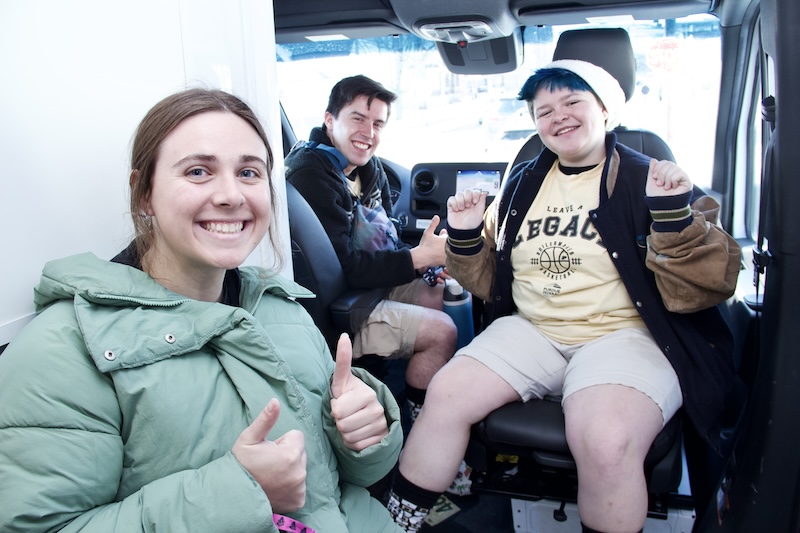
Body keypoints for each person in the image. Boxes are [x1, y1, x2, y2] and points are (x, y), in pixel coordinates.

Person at [0, 88, 405, 533]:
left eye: (248, 172)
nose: (231, 195)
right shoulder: (65, 350)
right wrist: (240, 495)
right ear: (143, 194)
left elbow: (346, 480)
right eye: (198, 171)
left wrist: (363, 434)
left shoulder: (282, 309)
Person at [386, 60, 742, 533]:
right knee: (446, 392)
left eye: (572, 101)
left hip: (625, 335)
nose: (559, 117)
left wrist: (672, 218)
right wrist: (467, 237)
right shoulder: (520, 185)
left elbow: (711, 284)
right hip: (533, 329)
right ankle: (395, 525)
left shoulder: (653, 179)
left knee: (606, 439)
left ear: (605, 109)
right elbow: (488, 282)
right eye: (545, 111)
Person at [285, 75, 457, 425]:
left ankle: (407, 388)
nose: (369, 133)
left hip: (373, 285)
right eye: (358, 119)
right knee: (443, 332)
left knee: (440, 291)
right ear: (330, 120)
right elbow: (344, 267)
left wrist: (422, 264)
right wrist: (417, 257)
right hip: (342, 307)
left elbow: (386, 238)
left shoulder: (368, 167)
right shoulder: (311, 176)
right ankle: (422, 423)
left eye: (378, 124)